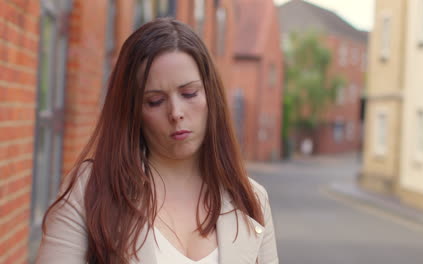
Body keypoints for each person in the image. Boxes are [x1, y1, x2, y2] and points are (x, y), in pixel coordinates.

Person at [35, 18, 278, 264]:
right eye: (155, 101)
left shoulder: (252, 199)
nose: (175, 112)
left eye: (189, 93)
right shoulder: (91, 189)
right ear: (133, 111)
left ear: (211, 95)